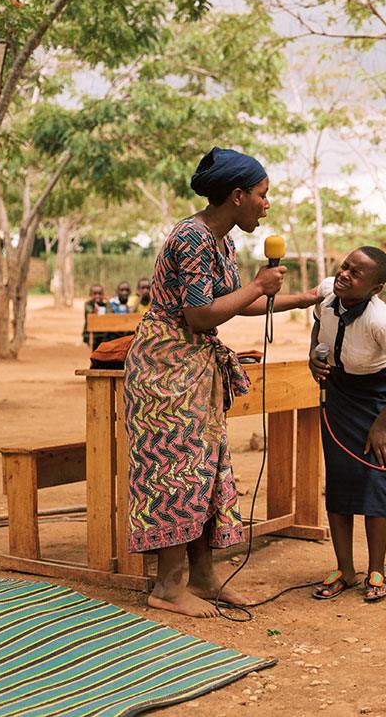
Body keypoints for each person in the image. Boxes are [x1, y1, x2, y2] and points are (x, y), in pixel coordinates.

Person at [123, 147, 314, 619]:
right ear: (237, 195)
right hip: (166, 371)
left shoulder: (222, 240)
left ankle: (204, 579)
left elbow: (230, 301)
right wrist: (257, 287)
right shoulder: (192, 238)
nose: (267, 204)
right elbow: (198, 313)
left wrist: (300, 298)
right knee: (175, 474)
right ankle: (167, 587)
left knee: (205, 470)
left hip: (194, 367)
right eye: (262, 195)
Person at [308, 247, 386, 603]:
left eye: (356, 274)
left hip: (377, 400)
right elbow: (318, 325)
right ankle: (345, 569)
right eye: (345, 266)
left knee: (373, 475)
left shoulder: (382, 321)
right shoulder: (328, 293)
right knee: (339, 475)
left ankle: (377, 571)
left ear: (375, 289)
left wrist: (381, 425)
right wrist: (314, 356)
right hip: (340, 392)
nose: (344, 275)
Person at [82, 283, 110, 348]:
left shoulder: (105, 305)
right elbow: (89, 312)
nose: (97, 296)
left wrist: (108, 302)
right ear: (90, 295)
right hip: (90, 333)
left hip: (103, 333)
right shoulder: (88, 304)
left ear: (103, 295)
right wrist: (94, 311)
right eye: (95, 294)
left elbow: (110, 314)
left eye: (100, 294)